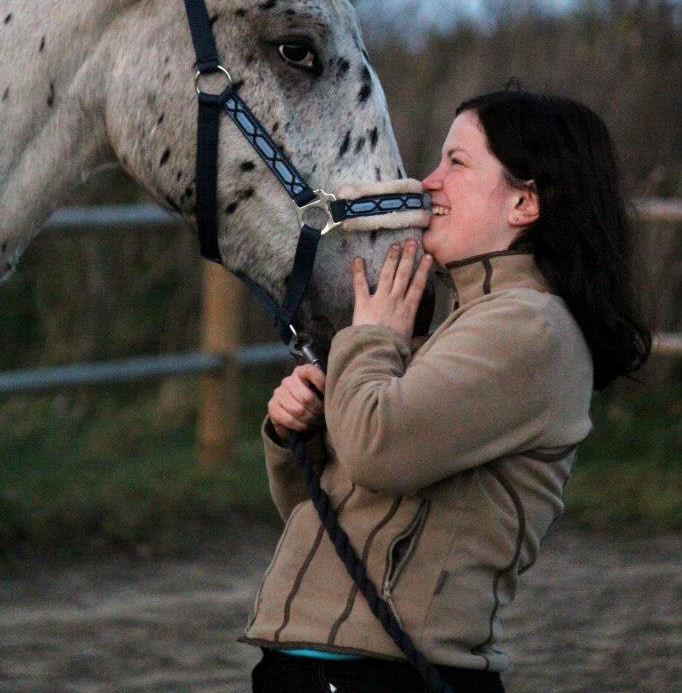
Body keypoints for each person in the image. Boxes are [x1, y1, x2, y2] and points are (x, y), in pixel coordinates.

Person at [239, 85, 652, 693]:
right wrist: (293, 432)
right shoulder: (450, 326)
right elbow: (323, 514)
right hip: (318, 665)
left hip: (387, 676)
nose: (427, 182)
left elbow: (379, 452)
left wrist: (370, 338)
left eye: (456, 163)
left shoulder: (528, 329)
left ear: (524, 203)